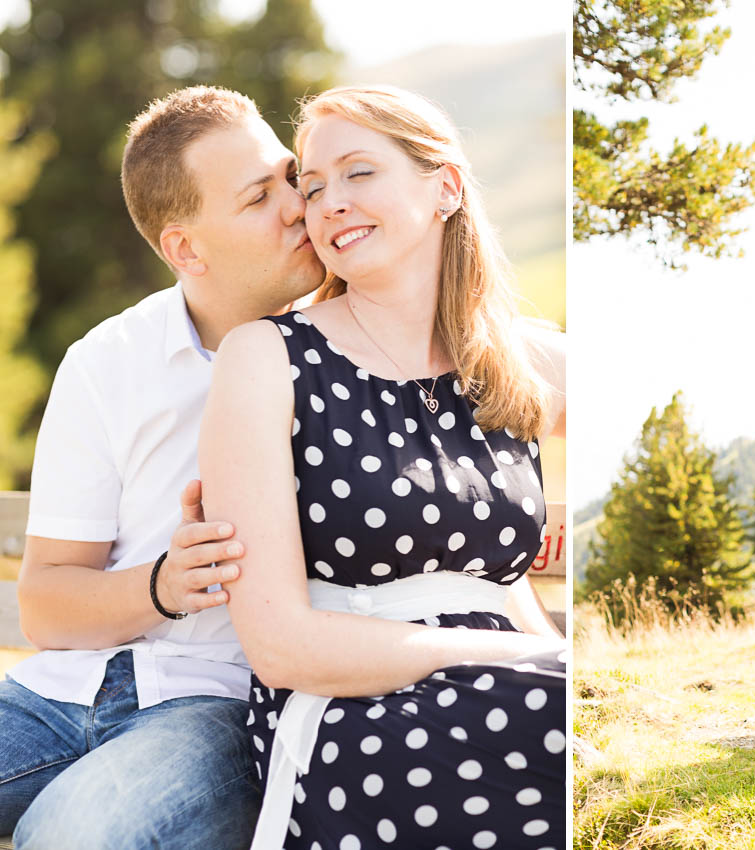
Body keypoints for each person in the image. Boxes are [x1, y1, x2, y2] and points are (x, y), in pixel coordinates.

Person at [198, 85, 567, 850]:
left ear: (447, 188)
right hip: (357, 716)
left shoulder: (517, 362)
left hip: (520, 684)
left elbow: (498, 588)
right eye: (312, 186)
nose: (327, 203)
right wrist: (517, 654)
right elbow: (279, 644)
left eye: (358, 173)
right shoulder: (268, 358)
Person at [1, 86, 325, 849]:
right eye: (257, 197)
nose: (295, 205)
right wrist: (163, 586)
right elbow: (46, 602)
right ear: (186, 249)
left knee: (72, 836)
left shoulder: (351, 345)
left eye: (288, 176)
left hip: (212, 706)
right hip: (54, 697)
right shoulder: (108, 361)